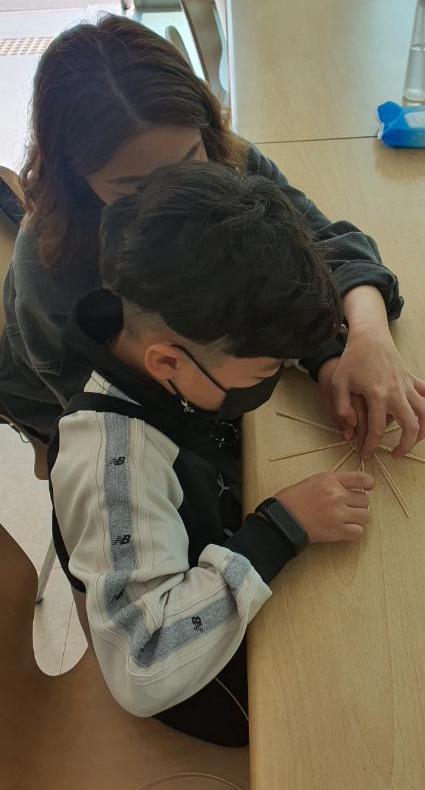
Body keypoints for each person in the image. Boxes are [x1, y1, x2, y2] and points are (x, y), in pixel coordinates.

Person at [0, 16, 425, 456]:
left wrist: (364, 338)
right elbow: (105, 418)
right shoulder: (50, 265)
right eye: (134, 186)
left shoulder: (227, 159)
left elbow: (319, 247)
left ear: (206, 128)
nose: (176, 194)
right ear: (74, 178)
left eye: (190, 161)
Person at [51, 161, 376, 747]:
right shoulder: (114, 468)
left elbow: (242, 335)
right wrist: (281, 529)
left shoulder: (166, 335)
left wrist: (328, 360)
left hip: (221, 551)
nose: (271, 377)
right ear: (167, 363)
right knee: (364, 699)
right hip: (200, 677)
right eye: (265, 369)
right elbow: (143, 664)